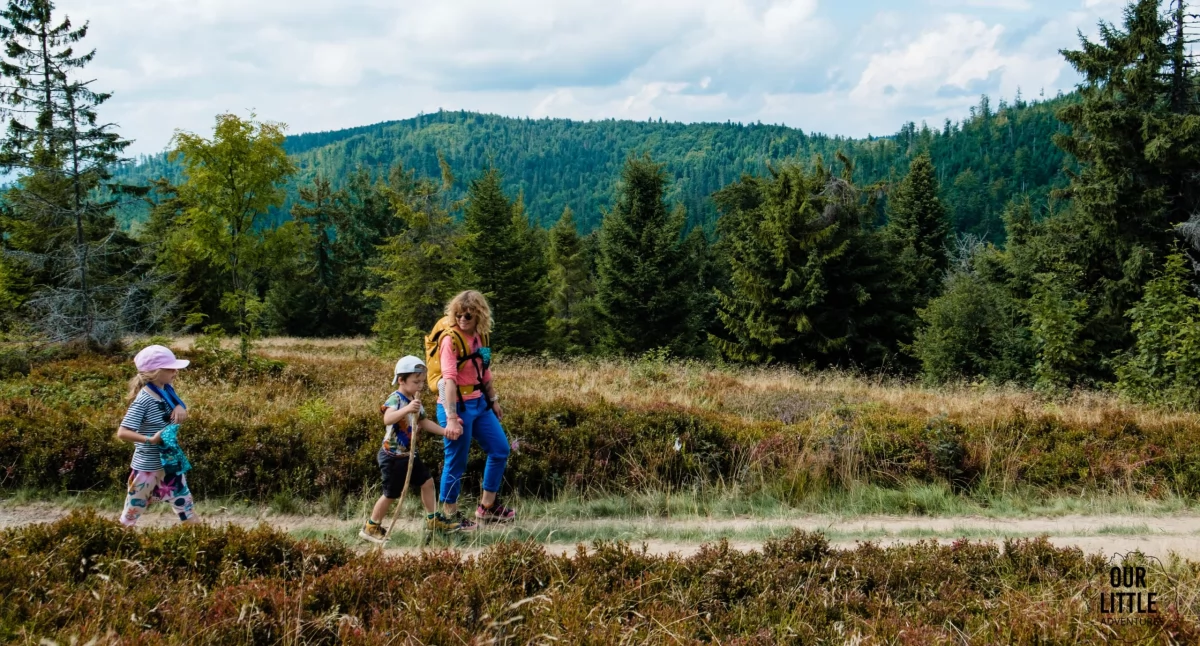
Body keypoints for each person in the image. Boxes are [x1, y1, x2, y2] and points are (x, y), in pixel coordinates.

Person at [430, 290, 516, 526]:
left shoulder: (482, 337)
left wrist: (493, 400)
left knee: (500, 449)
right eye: (458, 314)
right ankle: (450, 516)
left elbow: (484, 371)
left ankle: (487, 507)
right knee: (456, 461)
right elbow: (449, 380)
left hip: (479, 403)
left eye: (467, 315)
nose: (462, 319)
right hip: (456, 405)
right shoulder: (449, 340)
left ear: (479, 314)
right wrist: (451, 418)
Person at [360, 355, 465, 543]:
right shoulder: (396, 399)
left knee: (427, 482)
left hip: (409, 455)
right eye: (416, 382)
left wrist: (445, 432)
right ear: (401, 380)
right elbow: (387, 419)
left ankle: (433, 520)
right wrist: (407, 409)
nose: (420, 386)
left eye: (422, 381)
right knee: (391, 494)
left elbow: (423, 422)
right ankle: (371, 526)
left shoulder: (414, 399)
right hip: (392, 456)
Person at [114, 345, 197, 527]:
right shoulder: (144, 400)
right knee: (132, 512)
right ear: (155, 372)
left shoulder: (167, 390)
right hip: (147, 467)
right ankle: (117, 539)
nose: (175, 372)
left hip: (170, 463)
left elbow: (176, 407)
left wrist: (180, 406)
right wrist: (150, 440)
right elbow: (122, 432)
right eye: (170, 369)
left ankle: (201, 539)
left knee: (186, 506)